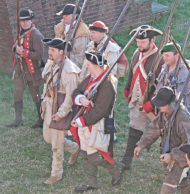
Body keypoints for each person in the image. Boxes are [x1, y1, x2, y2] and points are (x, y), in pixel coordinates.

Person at [70, 51, 123, 192]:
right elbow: (76, 91)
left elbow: (100, 111)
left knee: (94, 156)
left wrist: (81, 121)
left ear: (97, 66)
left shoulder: (106, 85)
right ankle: (91, 182)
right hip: (87, 122)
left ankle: (115, 169)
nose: (87, 66)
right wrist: (81, 99)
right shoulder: (92, 79)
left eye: (89, 65)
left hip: (101, 123)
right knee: (85, 153)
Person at [134, 86, 190, 194]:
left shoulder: (183, 118)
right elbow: (154, 128)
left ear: (170, 104)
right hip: (169, 156)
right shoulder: (165, 113)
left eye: (161, 103)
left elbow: (189, 146)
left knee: (168, 187)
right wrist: (141, 145)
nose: (158, 106)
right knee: (183, 182)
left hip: (181, 159)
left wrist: (172, 155)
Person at [121, 25, 164, 171]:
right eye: (138, 42)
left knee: (165, 131)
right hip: (138, 100)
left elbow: (162, 86)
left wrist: (151, 104)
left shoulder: (160, 59)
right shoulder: (136, 54)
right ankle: (126, 161)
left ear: (152, 40)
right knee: (134, 129)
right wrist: (128, 90)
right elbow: (132, 74)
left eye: (143, 42)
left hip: (155, 105)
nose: (139, 45)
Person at [41, 38, 81, 184]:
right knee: (48, 138)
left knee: (56, 145)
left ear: (61, 52)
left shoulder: (69, 71)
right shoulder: (52, 63)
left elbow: (70, 96)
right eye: (49, 49)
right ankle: (75, 148)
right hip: (48, 107)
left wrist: (61, 114)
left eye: (52, 50)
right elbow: (44, 78)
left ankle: (56, 173)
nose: (49, 52)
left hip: (59, 110)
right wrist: (50, 62)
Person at [6, 8, 44, 128]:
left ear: (31, 20)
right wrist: (15, 49)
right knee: (17, 94)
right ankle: (18, 120)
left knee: (36, 96)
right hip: (20, 71)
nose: (24, 23)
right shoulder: (20, 33)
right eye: (22, 21)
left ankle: (41, 120)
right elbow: (15, 47)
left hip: (32, 71)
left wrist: (24, 52)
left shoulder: (36, 35)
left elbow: (39, 55)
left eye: (27, 20)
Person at [156, 42, 190, 127]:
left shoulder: (185, 73)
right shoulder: (165, 69)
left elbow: (189, 103)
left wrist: (180, 120)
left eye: (167, 56)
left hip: (182, 121)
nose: (164, 58)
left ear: (177, 56)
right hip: (166, 117)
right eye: (164, 55)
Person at [55, 3, 89, 68]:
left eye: (67, 15)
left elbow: (80, 56)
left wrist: (68, 66)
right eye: (63, 14)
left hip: (72, 67)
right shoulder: (60, 28)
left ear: (75, 15)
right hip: (58, 64)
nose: (63, 16)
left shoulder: (81, 31)